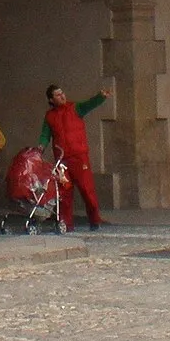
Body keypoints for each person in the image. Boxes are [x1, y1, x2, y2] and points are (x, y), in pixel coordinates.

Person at [40, 84, 109, 231]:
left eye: (62, 93)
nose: (62, 96)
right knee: (64, 192)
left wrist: (100, 97)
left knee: (87, 189)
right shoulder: (50, 116)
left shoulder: (75, 108)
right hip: (62, 160)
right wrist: (40, 147)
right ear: (51, 99)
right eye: (58, 95)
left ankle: (94, 219)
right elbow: (45, 134)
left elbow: (89, 104)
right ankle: (66, 223)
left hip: (79, 157)